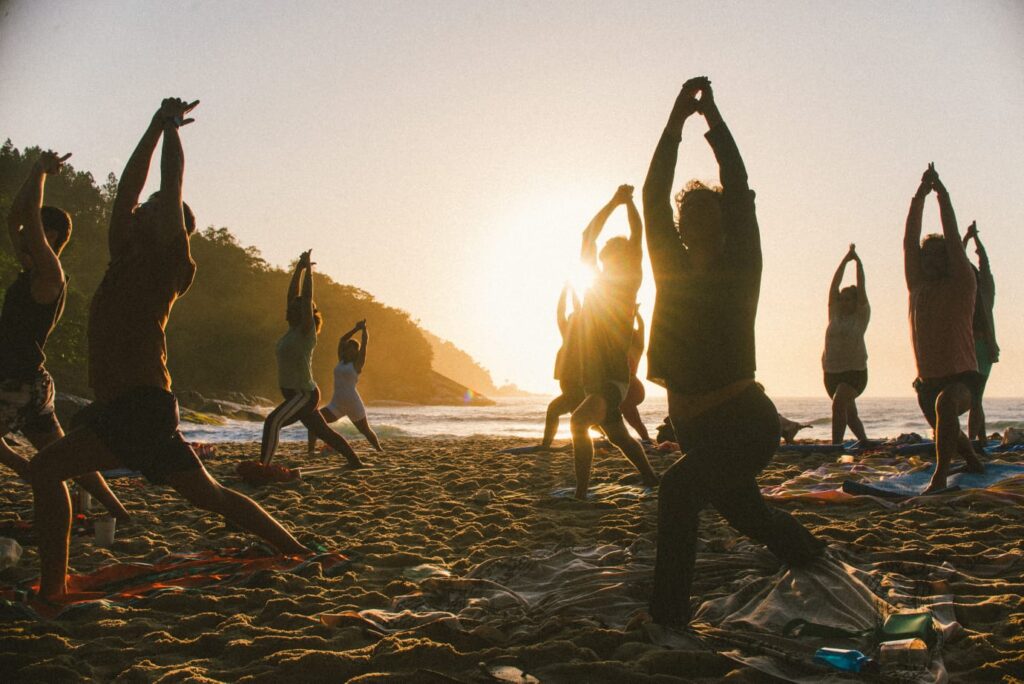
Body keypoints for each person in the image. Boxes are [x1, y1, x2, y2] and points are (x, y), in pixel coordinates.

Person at [29, 99, 308, 601]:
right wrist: (152, 125)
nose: (140, 211)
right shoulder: (125, 254)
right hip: (126, 405)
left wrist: (173, 131)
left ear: (172, 228)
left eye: (154, 211)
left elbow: (170, 186)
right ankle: (296, 550)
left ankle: (52, 591)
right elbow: (127, 191)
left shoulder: (170, 262)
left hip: (139, 405)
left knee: (47, 468)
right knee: (212, 496)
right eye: (144, 210)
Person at [643, 77, 823, 626]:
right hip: (695, 429)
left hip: (744, 423)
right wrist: (673, 121)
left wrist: (712, 121)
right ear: (680, 226)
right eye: (689, 213)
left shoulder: (742, 267)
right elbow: (654, 193)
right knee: (749, 515)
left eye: (709, 211)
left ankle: (667, 620)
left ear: (724, 223)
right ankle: (812, 554)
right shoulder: (669, 266)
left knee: (676, 494)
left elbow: (739, 187)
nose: (698, 218)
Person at [1, 151, 129, 521]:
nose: (23, 235)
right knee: (68, 457)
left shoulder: (49, 274)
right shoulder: (32, 271)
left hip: (19, 383)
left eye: (35, 230)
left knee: (57, 461)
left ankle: (29, 471)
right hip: (32, 382)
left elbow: (25, 219)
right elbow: (14, 217)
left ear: (49, 235)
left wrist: (42, 173)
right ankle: (119, 512)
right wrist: (32, 171)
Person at [570, 184, 659, 499]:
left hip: (612, 376)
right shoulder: (594, 282)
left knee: (579, 422)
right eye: (609, 258)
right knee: (619, 434)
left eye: (620, 257)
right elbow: (587, 236)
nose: (612, 262)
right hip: (593, 377)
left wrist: (629, 204)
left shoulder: (630, 284)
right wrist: (613, 202)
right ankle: (650, 477)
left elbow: (638, 236)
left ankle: (581, 494)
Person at [904, 163, 984, 493]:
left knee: (946, 408)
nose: (932, 262)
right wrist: (918, 196)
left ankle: (940, 477)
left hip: (962, 378)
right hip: (927, 381)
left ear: (951, 259)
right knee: (944, 427)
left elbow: (952, 239)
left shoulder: (962, 282)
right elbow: (909, 242)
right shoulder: (917, 285)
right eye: (928, 257)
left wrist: (943, 197)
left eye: (940, 256)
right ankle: (974, 461)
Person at [260, 251, 365, 468]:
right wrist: (298, 268)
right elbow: (292, 296)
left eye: (295, 308)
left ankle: (263, 466)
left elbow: (306, 298)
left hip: (303, 394)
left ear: (305, 314)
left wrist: (309, 271)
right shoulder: (291, 331)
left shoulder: (306, 333)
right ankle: (355, 462)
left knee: (272, 422)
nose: (290, 309)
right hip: (296, 394)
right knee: (323, 431)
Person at [307, 319, 383, 455]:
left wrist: (364, 330)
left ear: (356, 352)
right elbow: (342, 339)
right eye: (347, 348)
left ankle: (379, 450)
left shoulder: (357, 364)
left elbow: (364, 344)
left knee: (365, 430)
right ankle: (310, 451)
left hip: (353, 403)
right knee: (313, 423)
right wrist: (355, 329)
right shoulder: (341, 361)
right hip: (336, 404)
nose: (349, 351)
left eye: (352, 349)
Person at [822, 244, 871, 445]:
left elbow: (862, 285)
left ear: (856, 301)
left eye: (848, 299)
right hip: (831, 372)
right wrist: (844, 261)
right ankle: (865, 442)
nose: (843, 302)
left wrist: (857, 262)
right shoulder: (834, 314)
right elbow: (834, 286)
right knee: (849, 413)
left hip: (855, 373)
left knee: (839, 403)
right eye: (841, 299)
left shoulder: (861, 316)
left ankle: (835, 446)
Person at [962, 222, 999, 443]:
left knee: (976, 398)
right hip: (969, 347)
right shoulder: (963, 294)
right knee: (976, 398)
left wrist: (974, 240)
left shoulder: (984, 292)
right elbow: (959, 260)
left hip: (983, 348)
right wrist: (967, 239)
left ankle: (976, 441)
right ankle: (980, 440)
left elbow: (984, 264)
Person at [539, 283, 584, 449]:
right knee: (575, 413)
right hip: (569, 385)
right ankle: (591, 438)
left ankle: (546, 445)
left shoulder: (582, 338)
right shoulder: (566, 334)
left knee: (554, 410)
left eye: (574, 318)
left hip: (576, 385)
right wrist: (565, 292)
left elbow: (578, 310)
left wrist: (572, 292)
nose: (570, 320)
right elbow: (560, 312)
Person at [620, 308, 652, 444]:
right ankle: (645, 439)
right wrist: (635, 313)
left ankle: (645, 440)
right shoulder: (636, 347)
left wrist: (635, 313)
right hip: (632, 387)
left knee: (631, 416)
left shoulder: (632, 348)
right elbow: (641, 327)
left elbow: (640, 327)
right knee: (625, 415)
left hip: (631, 387)